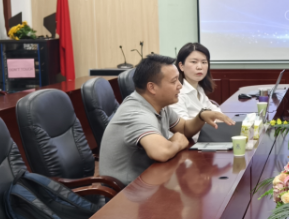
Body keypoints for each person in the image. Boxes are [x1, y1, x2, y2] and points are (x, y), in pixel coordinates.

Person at [100, 54, 234, 186]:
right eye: (174, 81)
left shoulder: (159, 104)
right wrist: (177, 143)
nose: (180, 86)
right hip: (126, 192)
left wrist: (201, 116)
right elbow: (161, 152)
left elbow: (184, 128)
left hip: (149, 180)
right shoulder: (136, 113)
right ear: (152, 87)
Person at [170, 43, 222, 141]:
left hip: (206, 139)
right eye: (194, 62)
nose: (199, 67)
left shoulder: (199, 88)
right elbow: (183, 129)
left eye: (204, 62)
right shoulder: (176, 93)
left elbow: (217, 113)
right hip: (188, 144)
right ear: (181, 66)